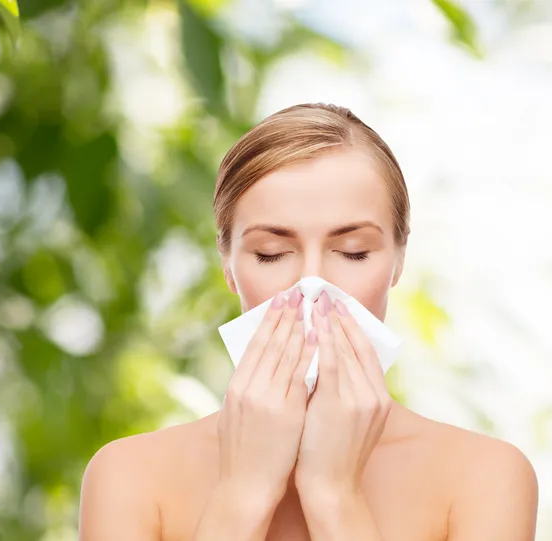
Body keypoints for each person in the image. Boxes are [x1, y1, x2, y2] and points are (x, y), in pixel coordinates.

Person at [78, 103, 539, 541]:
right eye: (271, 254)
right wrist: (243, 492)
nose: (312, 286)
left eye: (354, 252)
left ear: (398, 260)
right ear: (229, 266)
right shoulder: (128, 476)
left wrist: (334, 495)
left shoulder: (485, 477)